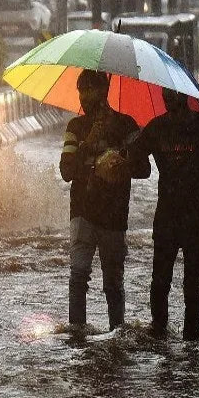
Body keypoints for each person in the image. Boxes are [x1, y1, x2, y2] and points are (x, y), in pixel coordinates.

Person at [130, 88, 199, 341]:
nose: (167, 98)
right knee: (161, 283)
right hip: (169, 220)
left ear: (184, 96)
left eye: (170, 94)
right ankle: (161, 334)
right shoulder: (157, 127)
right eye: (164, 94)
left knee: (190, 288)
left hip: (193, 220)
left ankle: (190, 340)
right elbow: (133, 159)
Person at [59, 70, 150, 332]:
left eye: (89, 91)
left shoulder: (126, 125)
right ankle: (77, 334)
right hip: (82, 212)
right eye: (81, 92)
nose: (84, 98)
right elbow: (66, 172)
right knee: (78, 276)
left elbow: (144, 168)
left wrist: (119, 159)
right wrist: (87, 145)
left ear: (103, 92)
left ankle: (117, 333)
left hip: (114, 214)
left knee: (113, 282)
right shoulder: (75, 128)